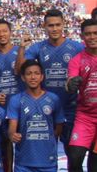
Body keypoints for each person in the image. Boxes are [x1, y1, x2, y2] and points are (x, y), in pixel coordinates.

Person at [17, 9, 82, 148]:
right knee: (45, 150)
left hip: (71, 107)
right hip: (46, 107)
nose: (54, 28)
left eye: (58, 25)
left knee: (73, 153)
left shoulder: (76, 47)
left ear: (63, 24)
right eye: (51, 25)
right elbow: (20, 69)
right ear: (44, 26)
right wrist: (22, 48)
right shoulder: (38, 48)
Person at [7, 60, 64, 172]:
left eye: (36, 73)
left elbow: (58, 126)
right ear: (23, 78)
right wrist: (13, 134)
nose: (33, 77)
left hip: (47, 163)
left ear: (42, 77)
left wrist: (49, 139)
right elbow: (12, 126)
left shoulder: (53, 99)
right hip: (24, 163)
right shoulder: (16, 100)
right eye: (29, 74)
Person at [64, 18, 97, 172]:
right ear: (82, 36)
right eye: (88, 34)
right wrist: (72, 84)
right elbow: (69, 83)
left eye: (95, 33)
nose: (92, 37)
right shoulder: (78, 59)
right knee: (75, 156)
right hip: (84, 116)